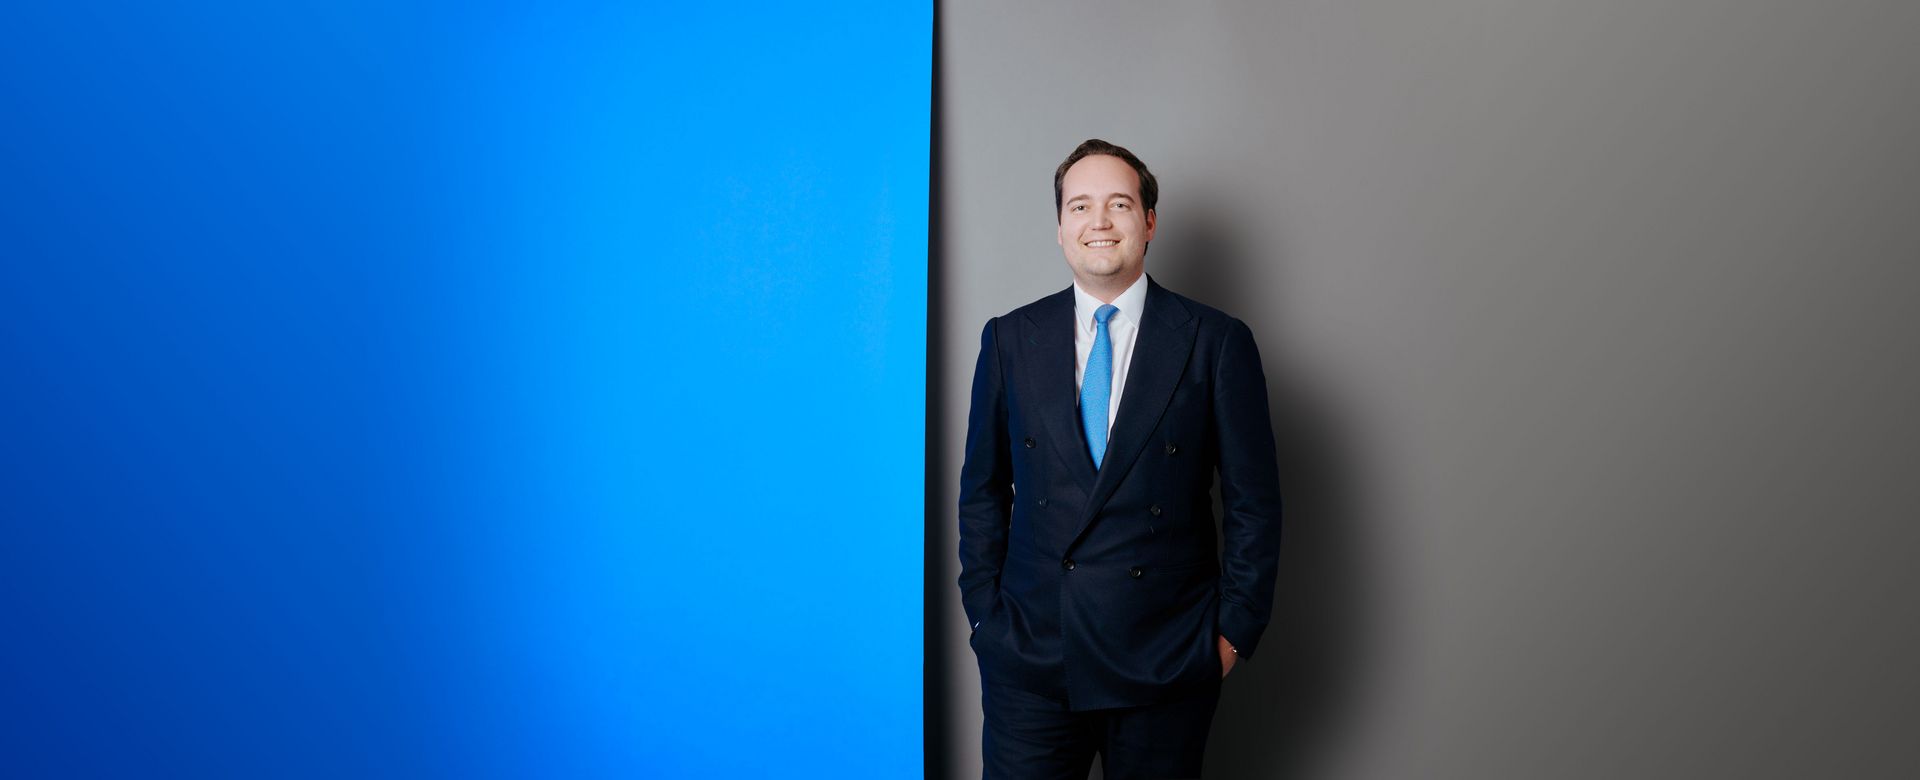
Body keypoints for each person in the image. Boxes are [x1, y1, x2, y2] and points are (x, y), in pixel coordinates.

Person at [957, 139, 1284, 779]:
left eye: (1120, 204)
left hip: (1165, 657)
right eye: (1080, 206)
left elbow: (1255, 502)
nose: (1099, 221)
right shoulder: (1009, 339)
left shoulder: (1215, 341)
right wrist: (984, 617)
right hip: (1031, 656)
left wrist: (1232, 635)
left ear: (1149, 221)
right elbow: (982, 491)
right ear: (1060, 227)